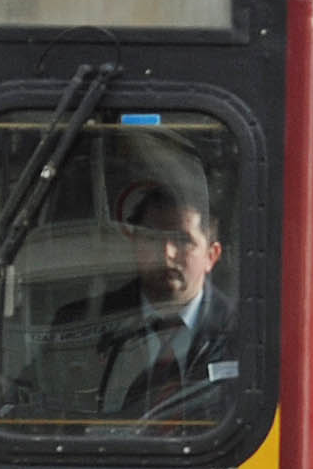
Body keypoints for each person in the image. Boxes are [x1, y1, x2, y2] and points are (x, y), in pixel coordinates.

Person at [87, 178, 233, 418]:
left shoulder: (245, 335)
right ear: (135, 243)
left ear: (212, 255)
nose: (167, 253)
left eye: (183, 240)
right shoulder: (85, 324)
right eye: (153, 238)